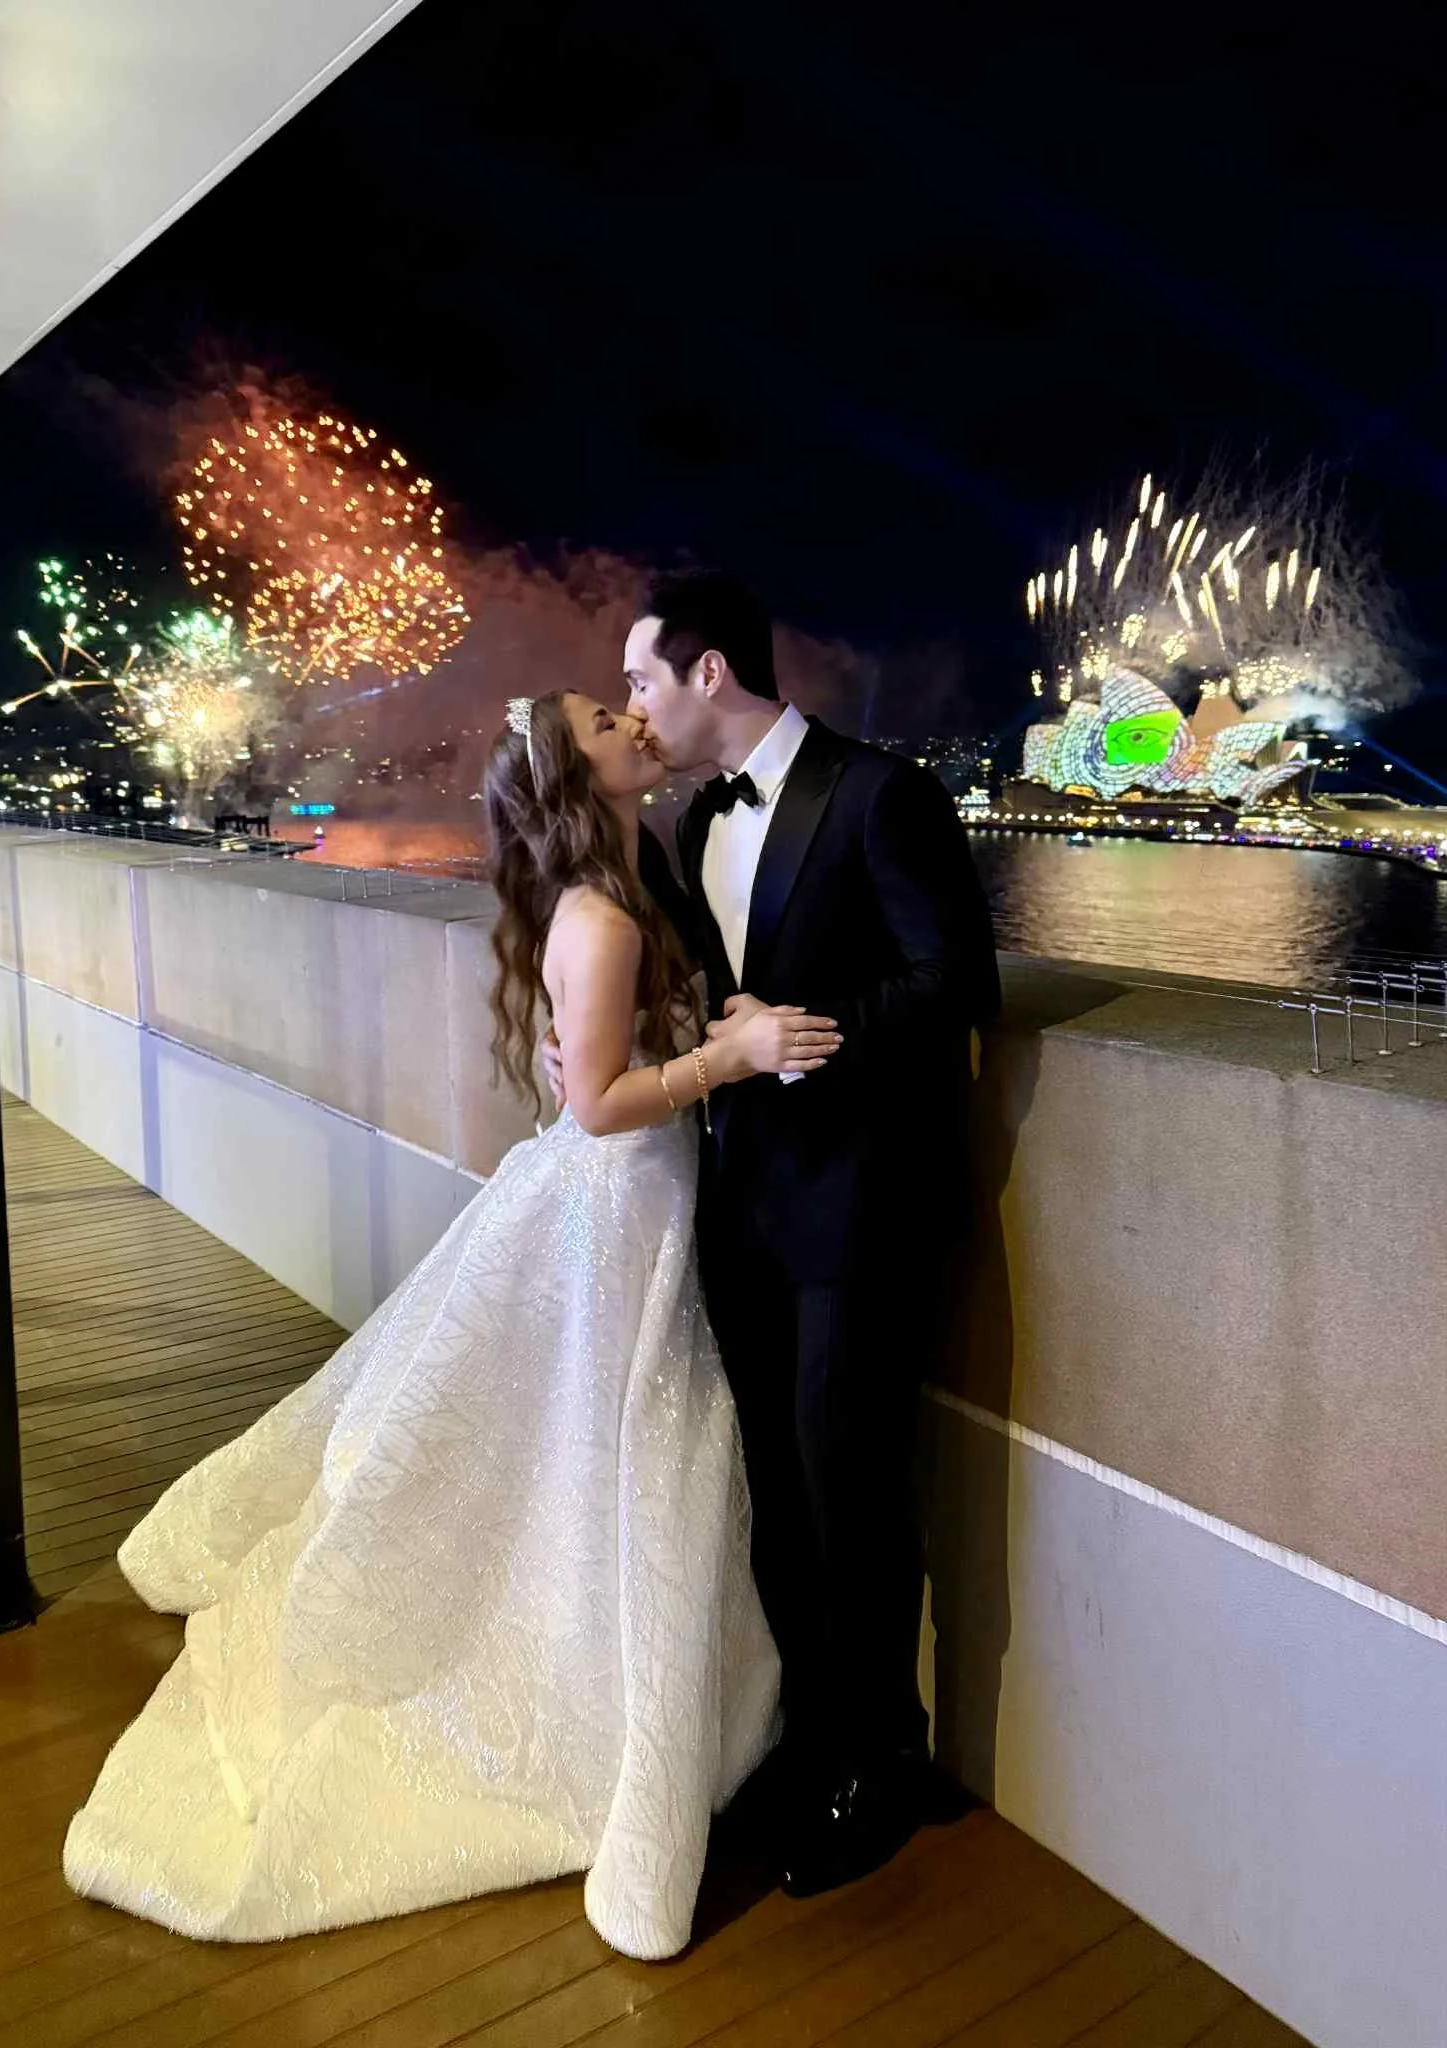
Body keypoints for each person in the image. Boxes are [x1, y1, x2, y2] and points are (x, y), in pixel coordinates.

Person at [62, 691, 843, 1962]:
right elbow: (594, 1103)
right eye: (604, 717)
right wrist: (736, 1056)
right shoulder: (598, 914)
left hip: (633, 1206)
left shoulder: (627, 880)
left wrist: (704, 1031)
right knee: (622, 1448)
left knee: (608, 1451)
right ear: (576, 772)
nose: (631, 717)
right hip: (616, 1210)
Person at [551, 570, 1000, 1899]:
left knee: (846, 1490)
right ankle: (808, 1740)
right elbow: (688, 1008)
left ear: (709, 676)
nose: (632, 703)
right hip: (740, 1208)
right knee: (769, 1496)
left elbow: (955, 982)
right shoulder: (688, 829)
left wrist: (801, 1044)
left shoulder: (879, 794)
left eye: (641, 678)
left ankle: (886, 1763)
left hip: (861, 1210)